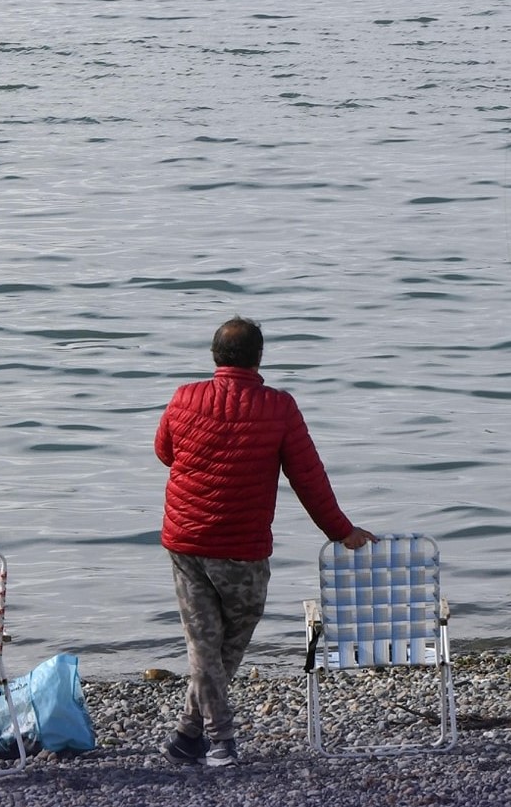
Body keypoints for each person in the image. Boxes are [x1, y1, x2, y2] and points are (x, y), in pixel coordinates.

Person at [155, 317, 376, 768]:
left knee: (205, 646)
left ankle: (187, 736)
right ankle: (221, 741)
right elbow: (308, 478)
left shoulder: (183, 397)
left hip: (186, 541)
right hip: (242, 549)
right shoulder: (279, 408)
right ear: (259, 358)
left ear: (215, 356)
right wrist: (341, 530)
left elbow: (165, 451)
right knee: (221, 645)